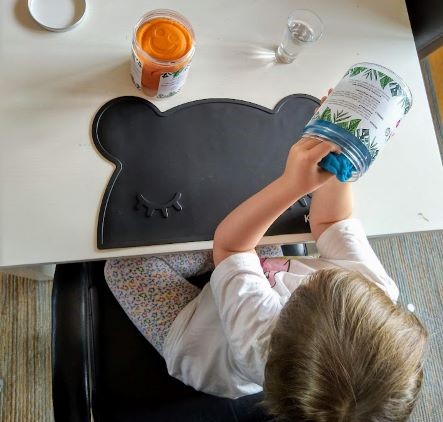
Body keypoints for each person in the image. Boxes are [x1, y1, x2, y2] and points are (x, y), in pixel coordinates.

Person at [104, 97, 427, 421]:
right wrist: (340, 157)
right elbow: (331, 223)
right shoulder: (375, 292)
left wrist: (293, 184)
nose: (310, 280)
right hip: (257, 278)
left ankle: (227, 277)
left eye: (308, 289)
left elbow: (230, 248)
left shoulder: (259, 335)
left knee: (123, 267)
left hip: (197, 338)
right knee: (255, 232)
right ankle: (234, 275)